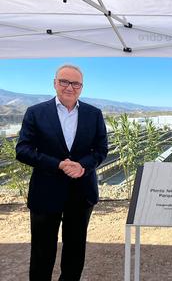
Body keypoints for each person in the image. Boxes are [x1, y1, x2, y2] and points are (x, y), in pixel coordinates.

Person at [16, 64, 108, 281]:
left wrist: (83, 165)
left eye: (75, 83)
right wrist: (57, 164)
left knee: (75, 249)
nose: (70, 87)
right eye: (64, 81)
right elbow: (23, 150)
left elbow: (101, 149)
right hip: (45, 191)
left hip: (81, 191)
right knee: (42, 250)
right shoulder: (36, 113)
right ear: (55, 83)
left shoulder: (94, 114)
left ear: (82, 87)